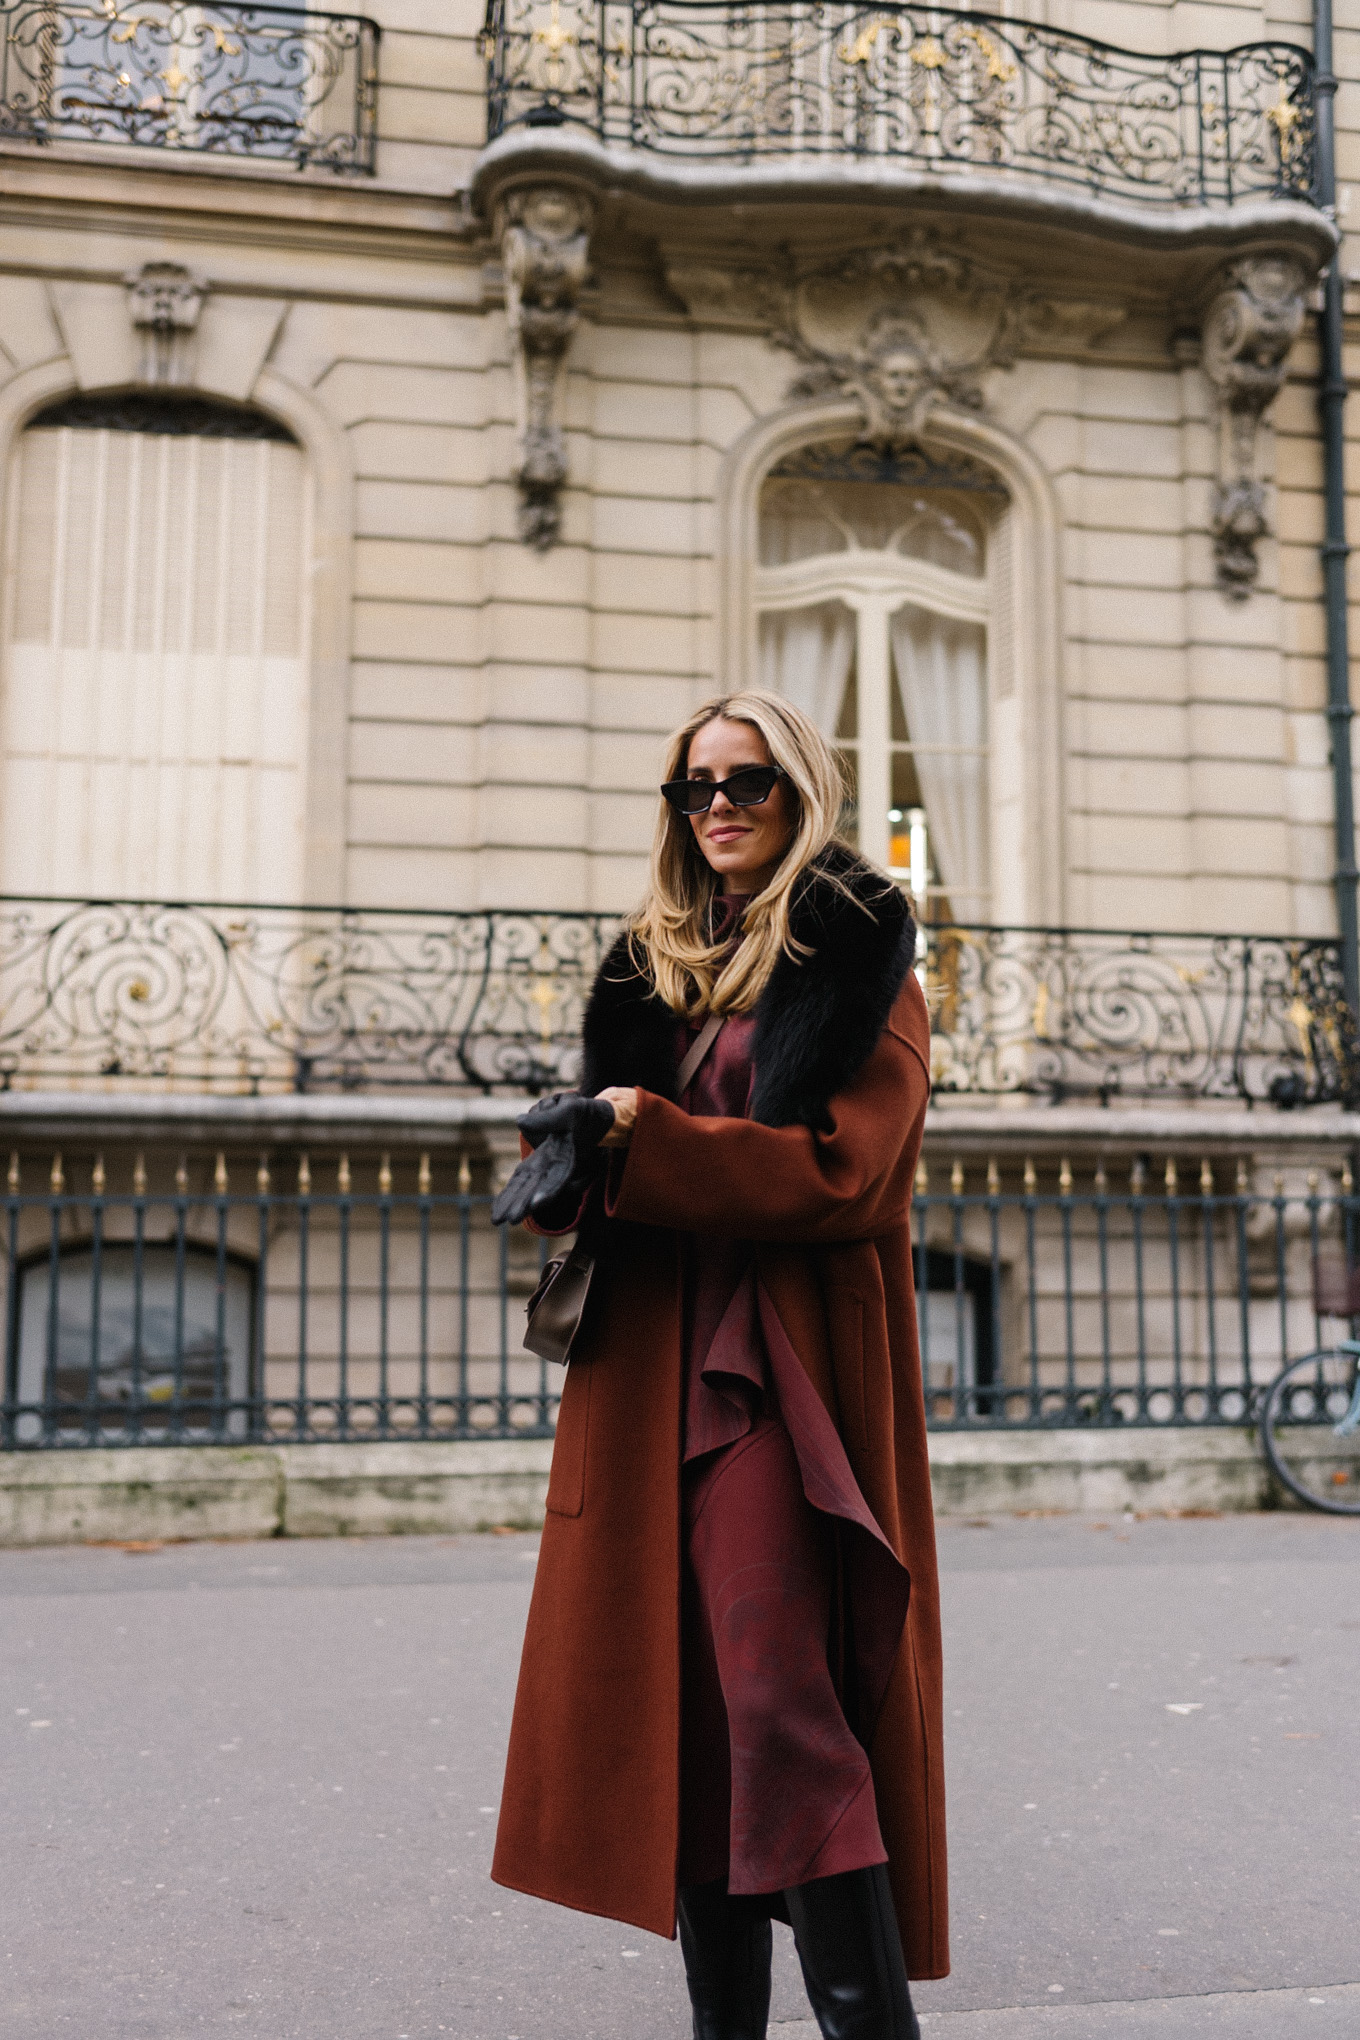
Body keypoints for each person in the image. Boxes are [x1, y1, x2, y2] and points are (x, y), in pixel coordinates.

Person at [490, 690, 947, 2040]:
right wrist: (578, 1157)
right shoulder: (653, 971)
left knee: (775, 1698)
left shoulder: (864, 959)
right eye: (696, 788)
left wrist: (652, 1142)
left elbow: (847, 1176)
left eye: (749, 782)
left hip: (778, 1378)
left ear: (801, 794)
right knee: (686, 1713)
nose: (722, 808)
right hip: (651, 1375)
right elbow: (625, 1172)